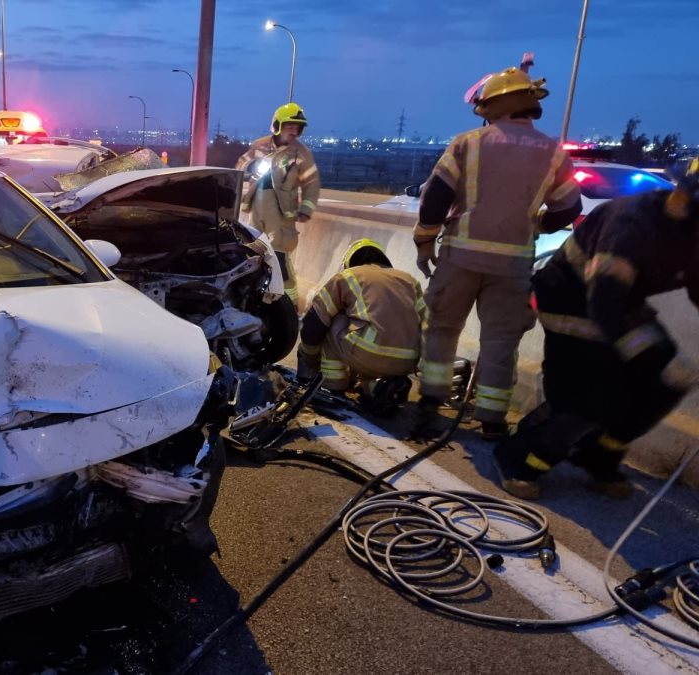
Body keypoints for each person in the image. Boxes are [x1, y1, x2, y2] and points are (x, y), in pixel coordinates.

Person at [491, 161, 699, 500]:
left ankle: (598, 457)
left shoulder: (692, 231)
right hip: (569, 298)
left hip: (621, 304)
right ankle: (518, 457)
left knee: (664, 376)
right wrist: (630, 354)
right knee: (589, 396)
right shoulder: (633, 224)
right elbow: (604, 302)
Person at [412, 67, 583, 439]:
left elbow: (436, 198)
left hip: (460, 258)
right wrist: (539, 225)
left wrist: (425, 241)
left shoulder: (468, 143)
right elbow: (569, 209)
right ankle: (491, 420)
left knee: (442, 329)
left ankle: (429, 405)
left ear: (496, 105)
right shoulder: (553, 153)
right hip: (513, 264)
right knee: (501, 341)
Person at [298, 239, 426, 416]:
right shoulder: (409, 280)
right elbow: (427, 325)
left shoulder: (347, 276)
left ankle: (331, 388)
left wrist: (308, 356)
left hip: (368, 353)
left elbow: (314, 322)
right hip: (407, 361)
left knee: (332, 319)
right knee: (369, 326)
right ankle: (377, 389)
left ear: (349, 261)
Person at [236, 103, 321, 303]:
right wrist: (251, 164)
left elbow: (312, 183)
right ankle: (259, 296)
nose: (293, 131)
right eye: (289, 126)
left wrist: (306, 208)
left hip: (282, 214)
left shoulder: (301, 153)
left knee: (280, 257)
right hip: (256, 209)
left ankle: (288, 303)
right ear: (277, 125)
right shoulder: (260, 145)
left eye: (297, 127)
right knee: (253, 252)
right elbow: (240, 164)